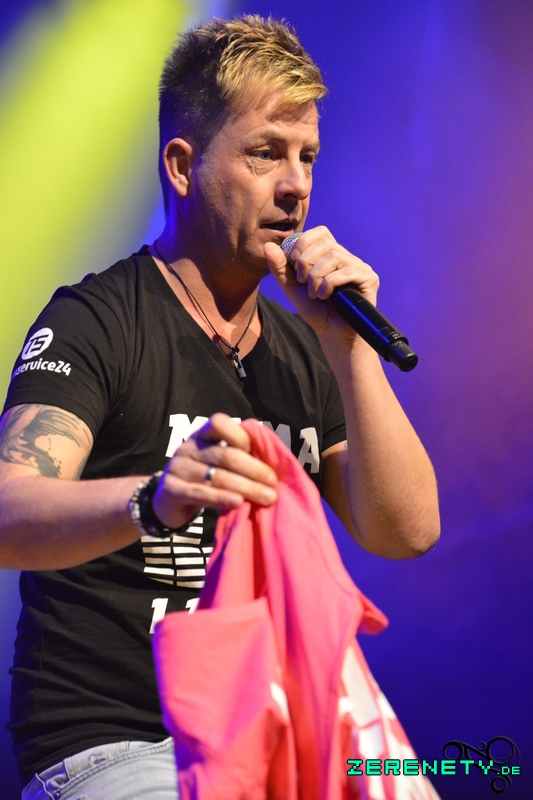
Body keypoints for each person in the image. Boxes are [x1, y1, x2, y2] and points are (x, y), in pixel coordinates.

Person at [0, 14, 440, 800]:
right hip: (122, 743)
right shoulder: (97, 320)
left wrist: (348, 347)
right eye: (265, 153)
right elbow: (6, 511)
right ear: (182, 165)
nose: (295, 184)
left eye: (307, 156)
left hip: (279, 741)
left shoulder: (308, 345)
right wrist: (153, 497)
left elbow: (405, 531)